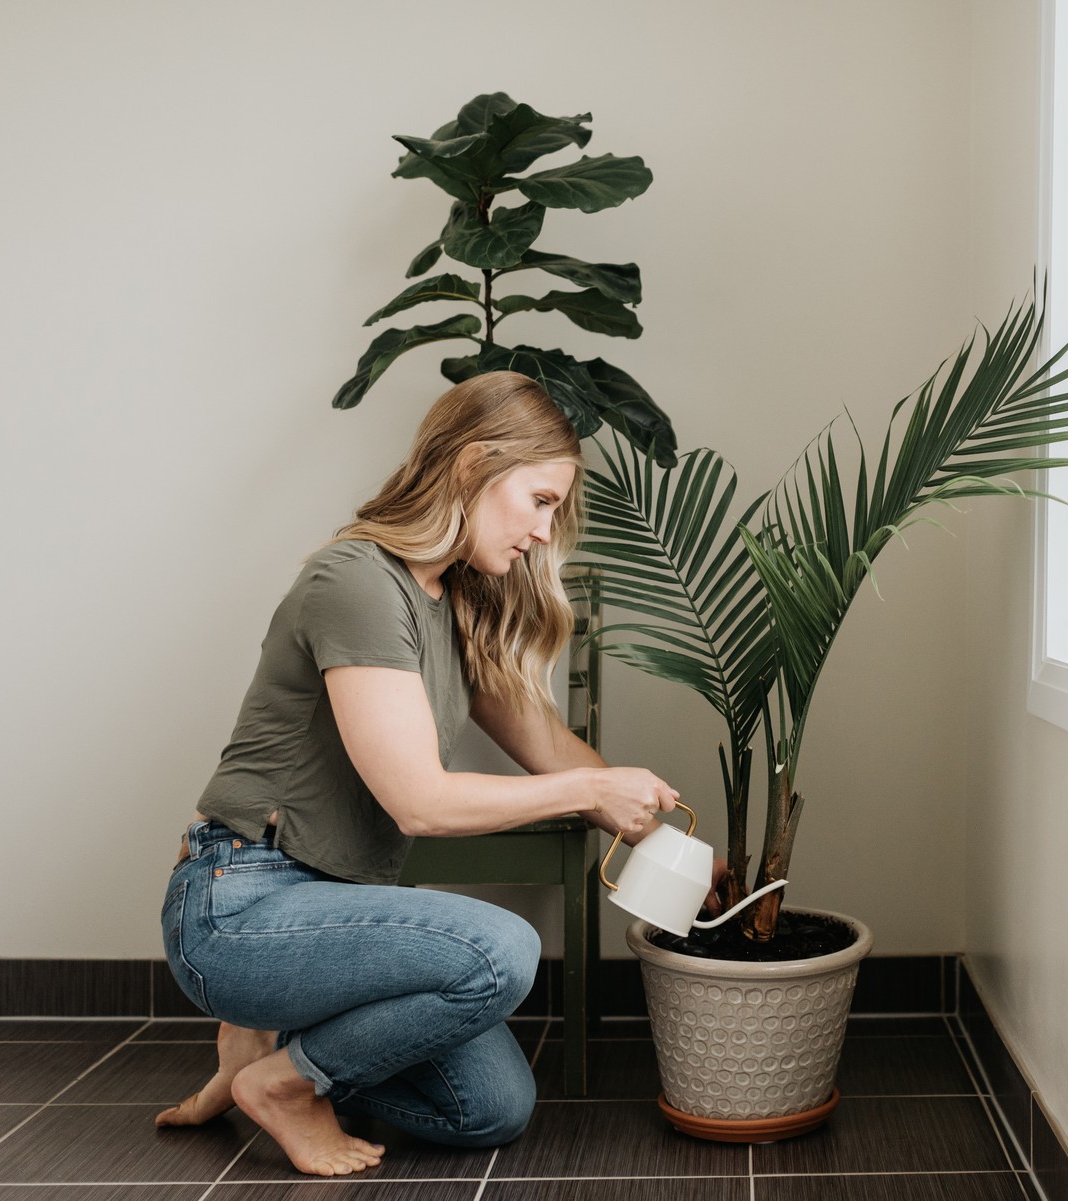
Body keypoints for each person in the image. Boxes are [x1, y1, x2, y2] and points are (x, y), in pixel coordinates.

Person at [155, 371, 715, 1176]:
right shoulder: (357, 581)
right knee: (503, 952)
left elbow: (551, 747)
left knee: (491, 1106)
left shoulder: (456, 601)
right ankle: (285, 1082)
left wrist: (678, 850)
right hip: (238, 903)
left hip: (336, 909)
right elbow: (418, 801)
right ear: (473, 465)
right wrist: (595, 790)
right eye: (542, 501)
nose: (545, 533)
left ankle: (260, 1051)